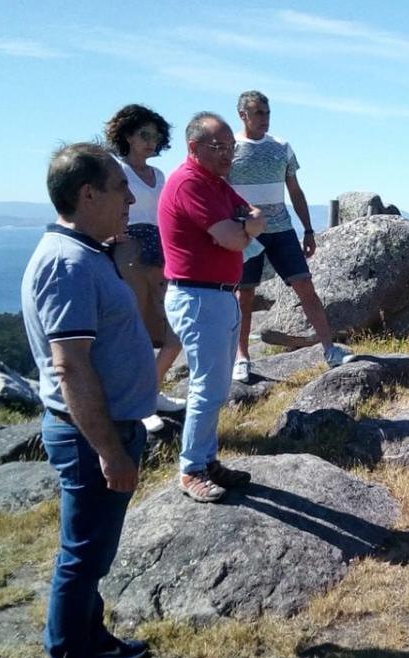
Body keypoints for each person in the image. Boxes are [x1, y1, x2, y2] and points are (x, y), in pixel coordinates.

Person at [22, 142, 154, 658]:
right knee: (82, 557)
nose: (129, 199)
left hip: (106, 430)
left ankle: (92, 642)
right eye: (121, 188)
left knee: (92, 552)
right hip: (91, 437)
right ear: (88, 193)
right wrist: (109, 451)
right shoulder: (67, 263)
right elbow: (70, 366)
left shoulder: (87, 254)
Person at [159, 111, 266, 503]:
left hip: (220, 294)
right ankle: (191, 470)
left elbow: (257, 219)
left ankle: (207, 459)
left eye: (231, 148)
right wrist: (243, 229)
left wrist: (244, 226)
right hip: (197, 295)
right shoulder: (189, 183)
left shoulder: (216, 184)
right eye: (219, 147)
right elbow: (235, 237)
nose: (228, 156)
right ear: (194, 147)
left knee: (218, 386)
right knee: (206, 387)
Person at [228, 90, 350, 380]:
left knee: (305, 286)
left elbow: (295, 190)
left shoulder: (281, 147)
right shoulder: (230, 148)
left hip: (282, 229)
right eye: (258, 113)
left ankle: (330, 349)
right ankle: (241, 357)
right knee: (244, 295)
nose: (264, 119)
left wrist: (307, 229)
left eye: (267, 113)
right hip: (246, 231)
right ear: (243, 115)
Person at [104, 104, 185, 433]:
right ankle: (137, 405)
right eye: (144, 135)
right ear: (127, 136)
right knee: (134, 333)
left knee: (173, 332)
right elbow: (99, 205)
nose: (151, 142)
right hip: (128, 252)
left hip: (160, 253)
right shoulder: (114, 169)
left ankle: (149, 394)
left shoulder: (160, 176)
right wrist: (109, 234)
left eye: (156, 136)